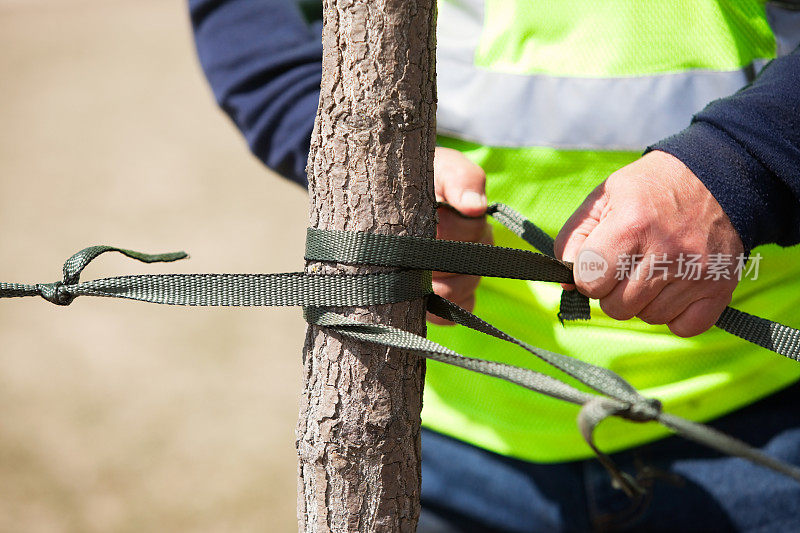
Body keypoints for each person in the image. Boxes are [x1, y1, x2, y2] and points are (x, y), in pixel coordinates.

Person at [189, 1, 800, 530]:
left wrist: (745, 162)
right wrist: (368, 163)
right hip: (440, 427)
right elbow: (252, 16)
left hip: (764, 414)